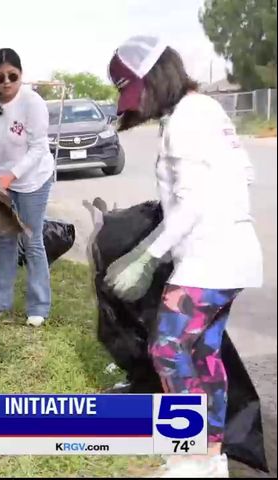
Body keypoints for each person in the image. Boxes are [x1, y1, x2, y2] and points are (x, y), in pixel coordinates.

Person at [104, 36, 262, 478]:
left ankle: (193, 457)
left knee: (169, 347)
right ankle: (212, 457)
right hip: (231, 254)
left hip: (209, 256)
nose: (133, 105)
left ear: (155, 78)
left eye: (133, 91)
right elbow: (230, 181)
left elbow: (191, 203)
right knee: (204, 354)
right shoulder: (204, 110)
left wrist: (145, 256)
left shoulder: (185, 121)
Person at [0, 48, 55, 327]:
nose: (6, 82)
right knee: (5, 239)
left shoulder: (33, 103)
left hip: (34, 178)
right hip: (3, 179)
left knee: (32, 241)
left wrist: (11, 177)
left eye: (12, 76)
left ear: (21, 75)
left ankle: (39, 307)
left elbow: (37, 149)